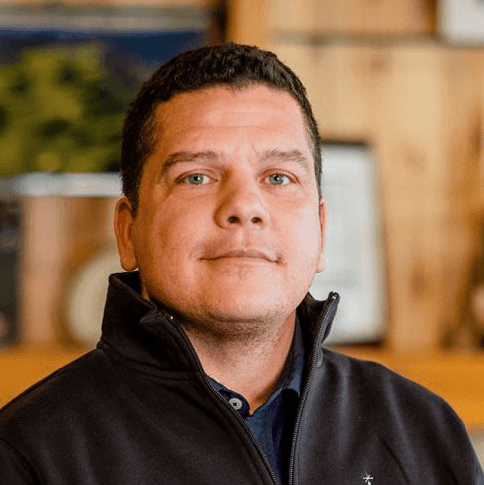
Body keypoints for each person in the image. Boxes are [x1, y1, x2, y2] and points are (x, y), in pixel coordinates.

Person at [0, 43, 482, 485]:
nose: (245, 206)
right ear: (129, 232)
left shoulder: (423, 431)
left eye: (278, 177)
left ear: (320, 231)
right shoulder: (28, 454)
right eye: (196, 177)